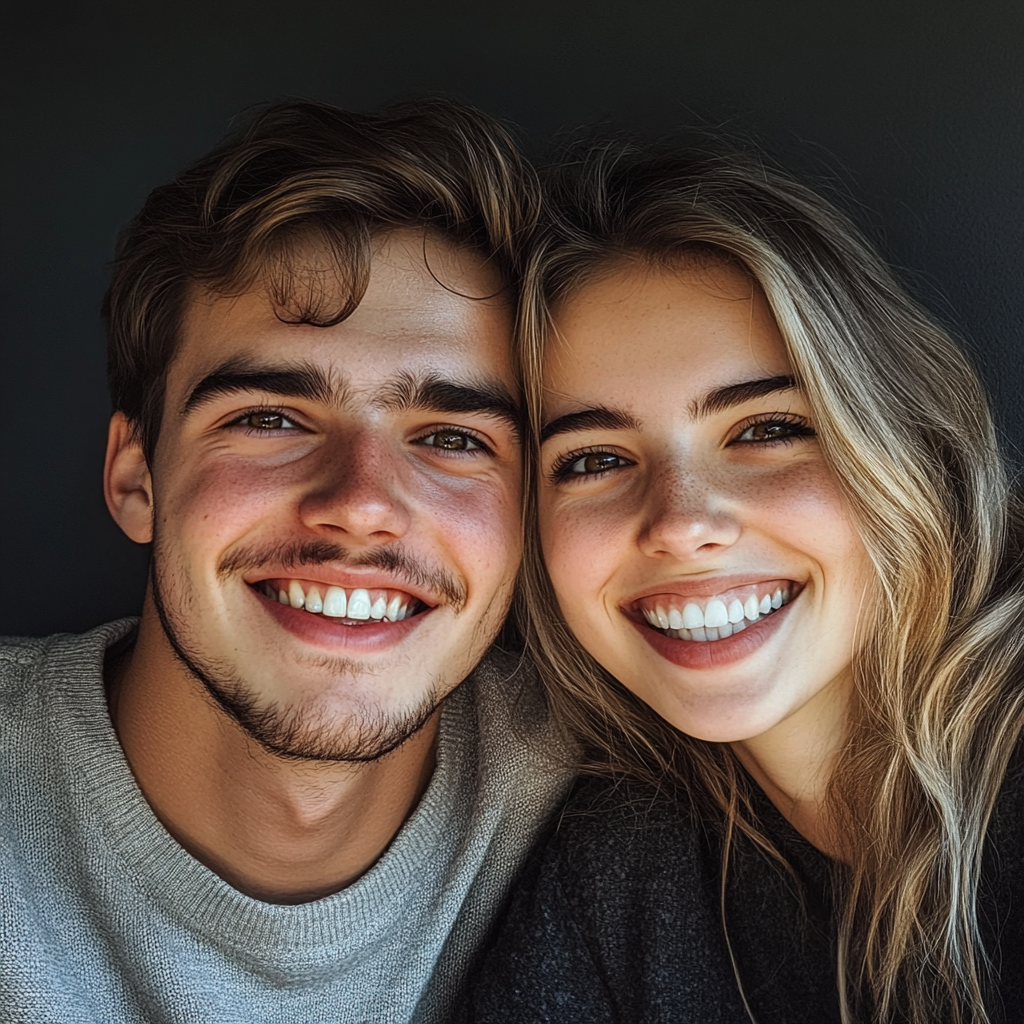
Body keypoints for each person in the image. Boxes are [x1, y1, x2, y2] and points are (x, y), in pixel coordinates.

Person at [0, 98, 574, 1024]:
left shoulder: (620, 812)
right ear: (136, 477)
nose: (360, 503)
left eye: (453, 438)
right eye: (268, 419)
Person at [473, 143, 1024, 1022]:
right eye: (595, 458)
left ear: (901, 443)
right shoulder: (618, 866)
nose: (683, 522)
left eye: (766, 429)